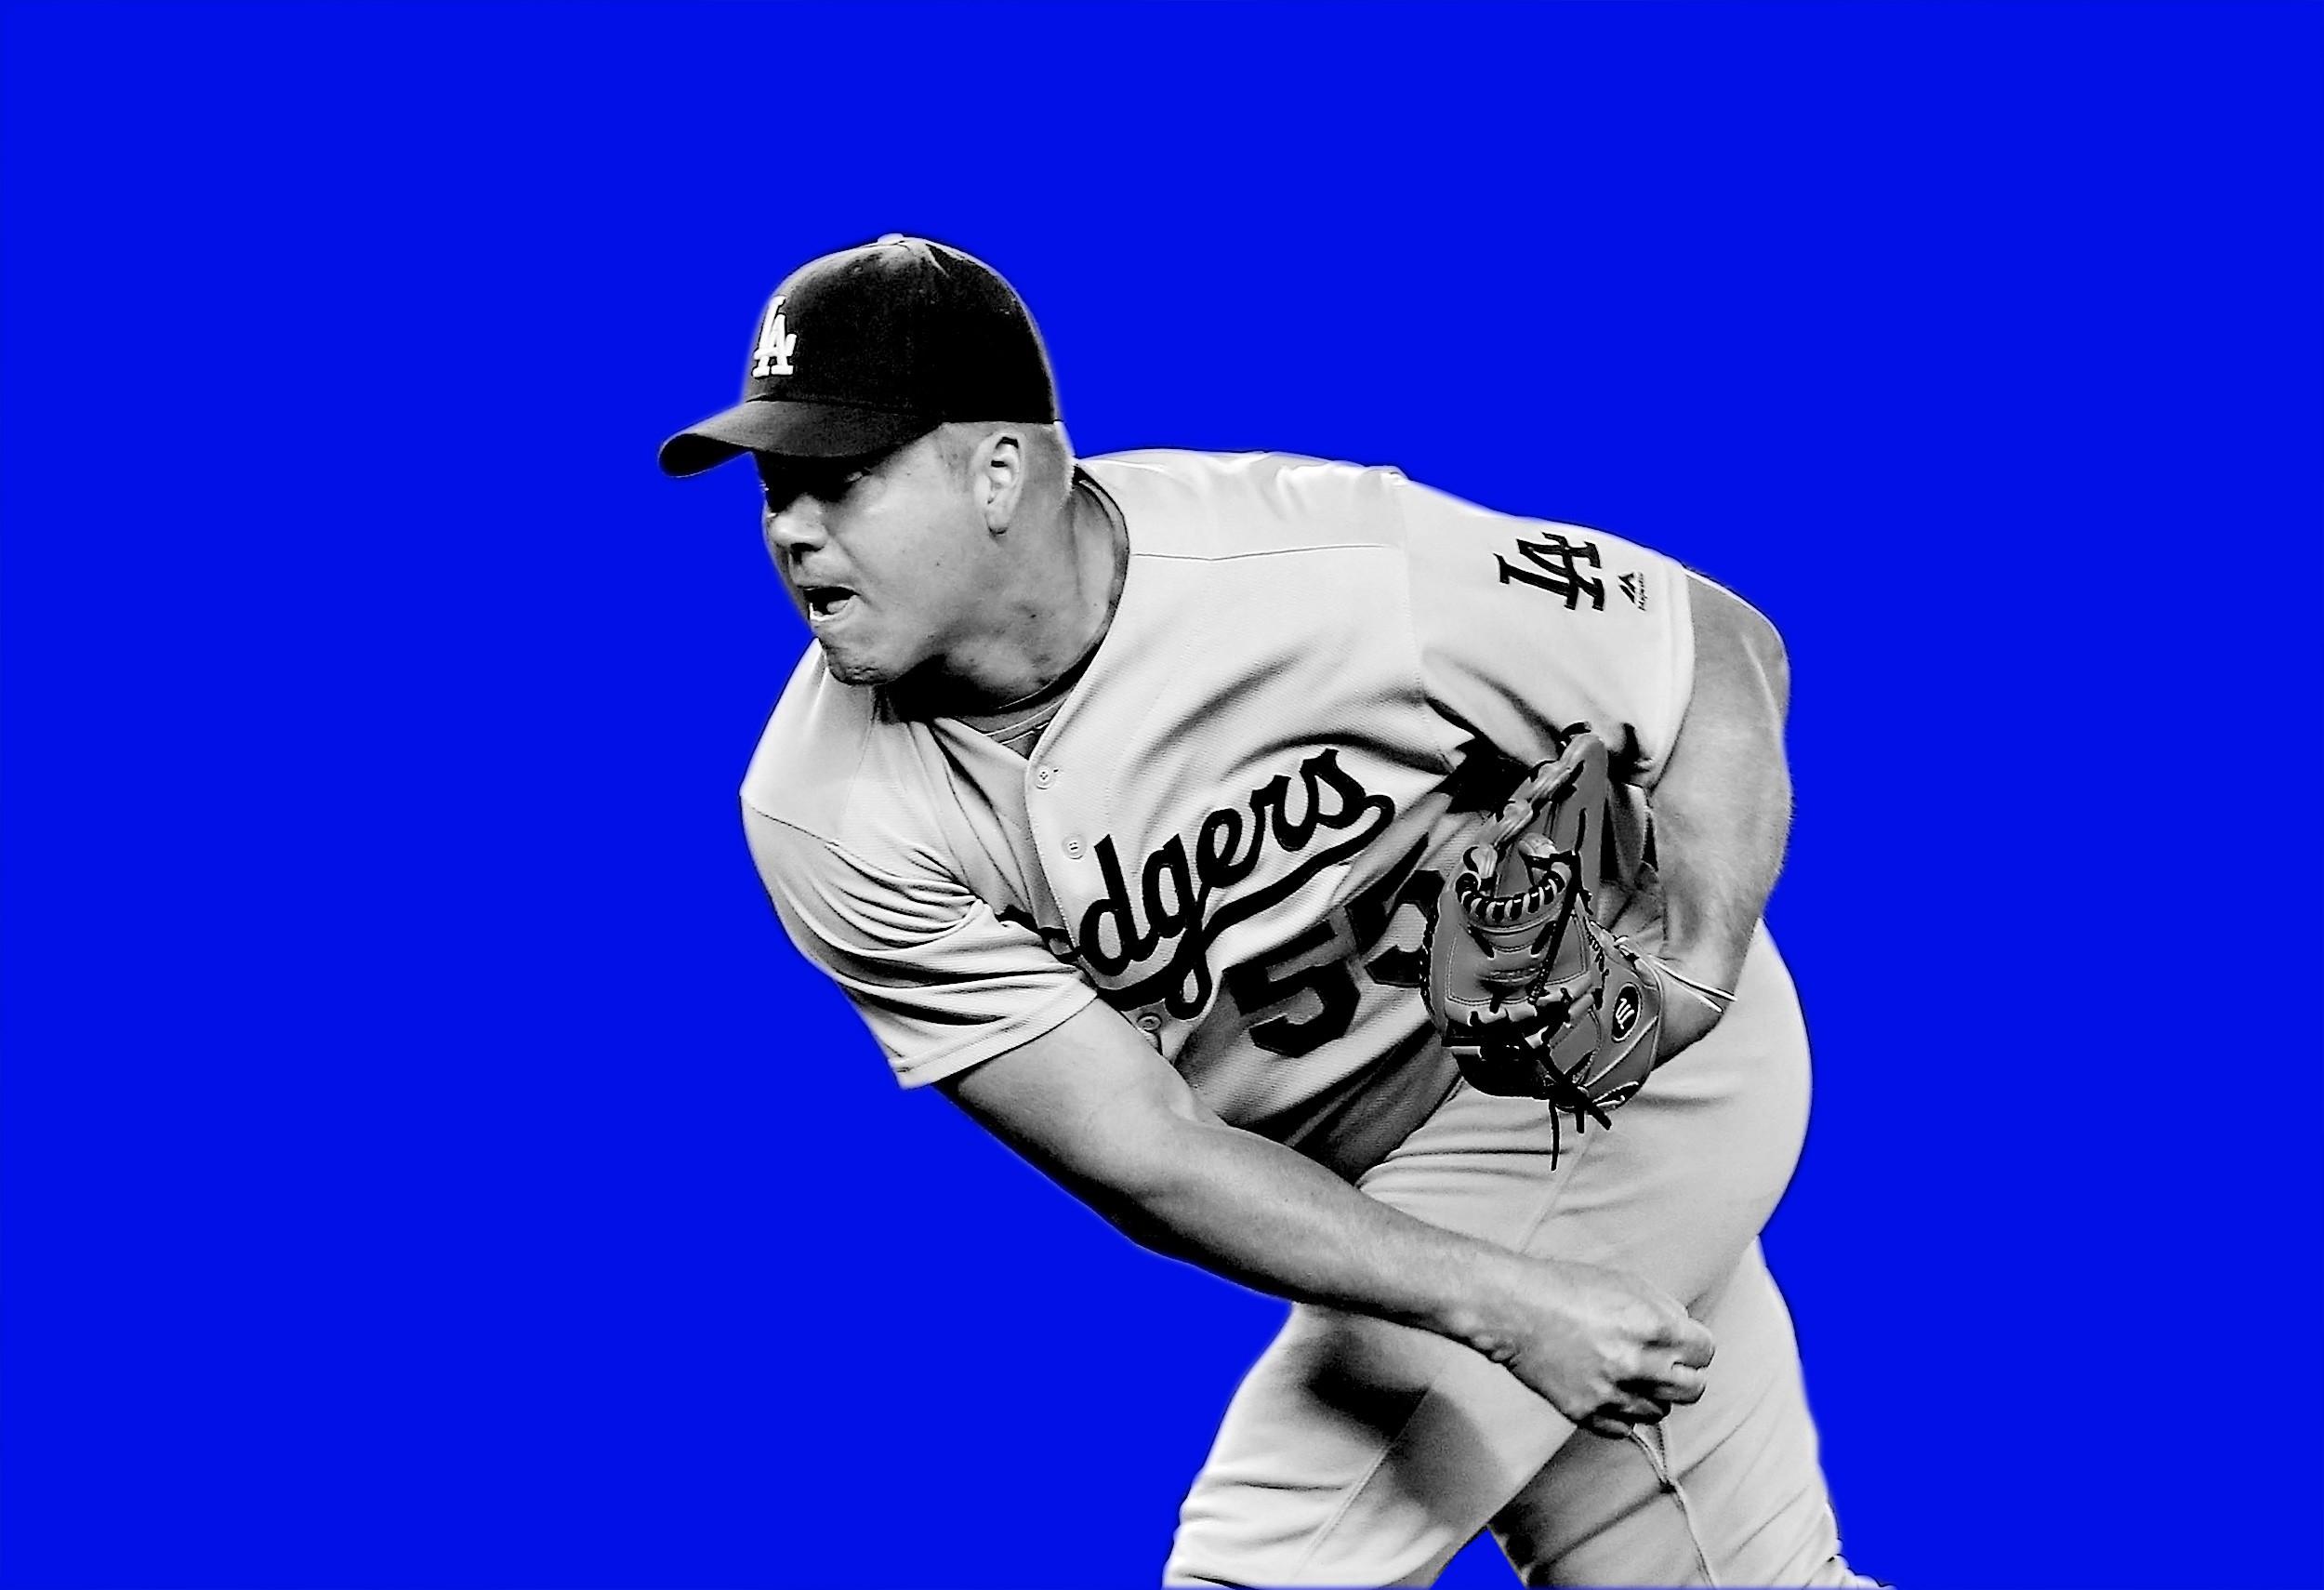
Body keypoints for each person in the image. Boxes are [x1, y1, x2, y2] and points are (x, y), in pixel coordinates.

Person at [658, 233, 1876, 1587]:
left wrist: (1693, 968)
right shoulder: (829, 814)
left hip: (1605, 1085)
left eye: (839, 478)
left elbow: (1714, 647)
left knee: (1266, 1567)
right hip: (1410, 1201)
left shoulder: (1322, 562)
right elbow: (1149, 1153)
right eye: (773, 487)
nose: (791, 530)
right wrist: (1506, 1300)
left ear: (998, 471)